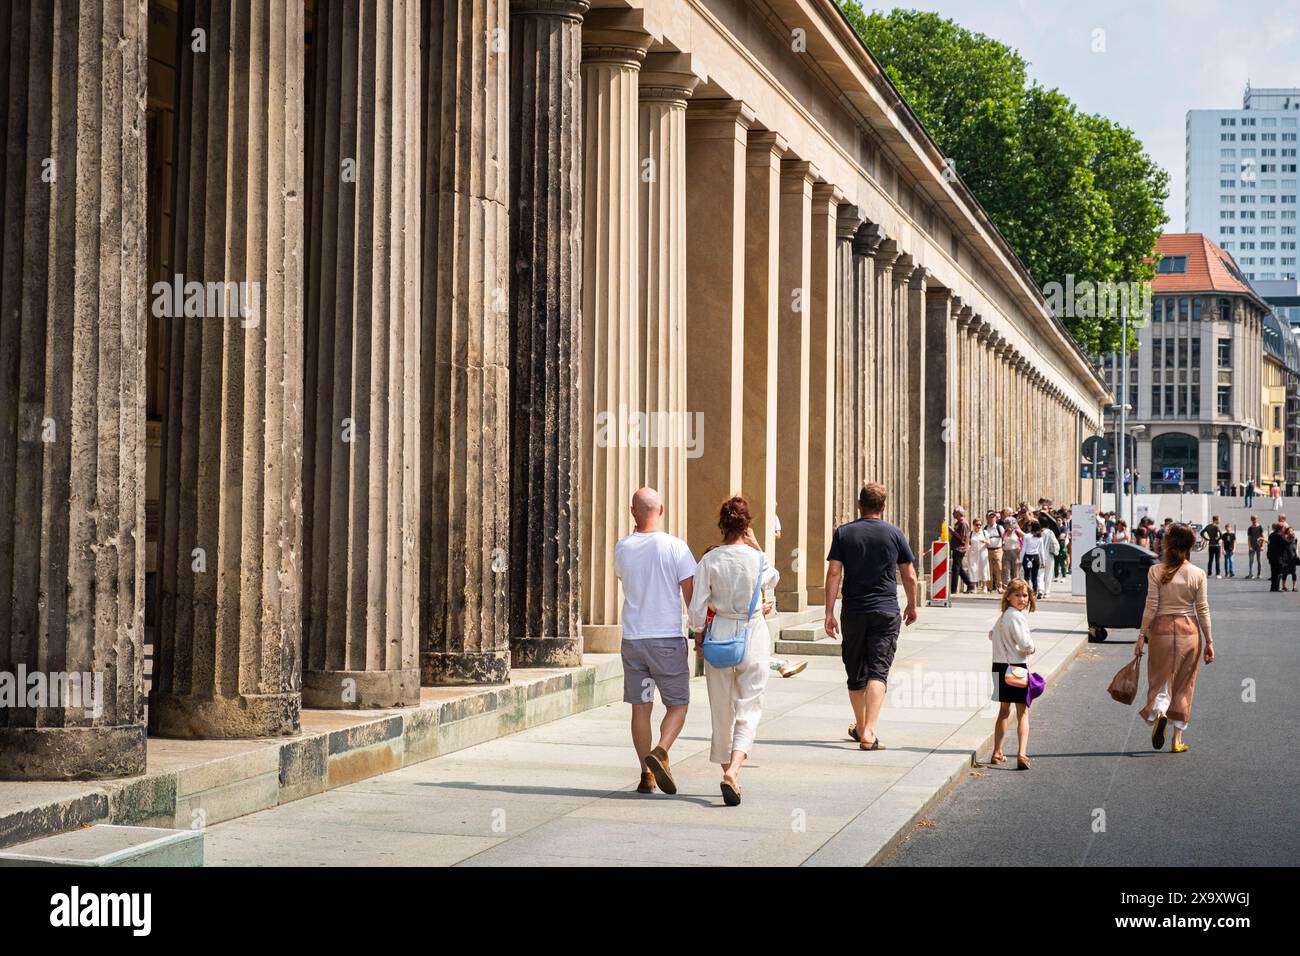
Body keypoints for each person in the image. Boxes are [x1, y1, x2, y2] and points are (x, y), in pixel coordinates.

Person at [688, 496, 780, 806]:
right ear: (747, 525)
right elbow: (774, 577)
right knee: (750, 707)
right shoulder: (756, 559)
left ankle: (730, 772)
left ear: (722, 524)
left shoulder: (710, 561)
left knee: (721, 710)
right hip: (752, 635)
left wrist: (699, 635)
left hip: (721, 635)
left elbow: (697, 606)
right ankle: (735, 770)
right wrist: (756, 544)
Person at [613, 488, 697, 795]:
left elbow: (626, 580)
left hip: (634, 640)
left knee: (640, 708)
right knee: (678, 704)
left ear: (632, 510)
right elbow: (691, 594)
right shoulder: (676, 547)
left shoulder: (622, 548)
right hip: (666, 639)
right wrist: (700, 631)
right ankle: (661, 750)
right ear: (660, 509)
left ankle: (646, 774)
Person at [824, 482, 918, 751]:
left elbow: (834, 573)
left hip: (853, 610)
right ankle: (869, 730)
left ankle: (862, 724)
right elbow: (909, 574)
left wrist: (829, 612)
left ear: (858, 504)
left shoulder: (844, 533)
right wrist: (911, 605)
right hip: (886, 610)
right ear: (883, 506)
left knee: (855, 672)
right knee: (878, 671)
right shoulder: (894, 533)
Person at [1135, 523, 1214, 754]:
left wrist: (1141, 636)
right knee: (1184, 683)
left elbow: (1150, 605)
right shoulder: (1198, 574)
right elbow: (1203, 609)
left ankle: (1159, 710)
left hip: (1161, 629)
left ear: (1167, 544)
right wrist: (1209, 641)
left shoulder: (1155, 571)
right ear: (1191, 545)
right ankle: (1177, 739)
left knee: (1160, 678)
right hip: (1189, 629)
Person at [987, 578, 1037, 770]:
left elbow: (991, 635)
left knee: (1003, 712)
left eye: (1025, 595)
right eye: (1017, 595)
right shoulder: (1016, 617)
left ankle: (997, 752)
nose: (1022, 599)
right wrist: (1032, 647)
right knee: (1023, 712)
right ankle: (1022, 753)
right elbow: (1025, 644)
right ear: (1008, 596)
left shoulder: (1002, 617)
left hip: (998, 667)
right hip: (1015, 667)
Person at [949, 507, 975, 595]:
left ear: (959, 514)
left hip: (960, 548)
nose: (952, 514)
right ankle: (970, 584)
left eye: (954, 512)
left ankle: (953, 589)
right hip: (956, 548)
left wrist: (952, 532)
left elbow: (962, 538)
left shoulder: (963, 523)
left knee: (956, 569)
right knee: (958, 568)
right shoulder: (958, 523)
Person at [1021, 520, 1045, 599]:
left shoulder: (1026, 536)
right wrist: (1043, 561)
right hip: (1036, 557)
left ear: (1031, 527)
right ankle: (1035, 591)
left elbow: (1023, 549)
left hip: (1027, 556)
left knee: (1027, 575)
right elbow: (1042, 550)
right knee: (1034, 576)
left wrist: (1020, 559)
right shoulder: (1039, 537)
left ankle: (1027, 591)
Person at [984, 511, 1004, 592]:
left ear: (995, 518)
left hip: (998, 550)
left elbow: (1004, 537)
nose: (992, 519)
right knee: (989, 569)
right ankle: (990, 587)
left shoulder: (1000, 528)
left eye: (993, 517)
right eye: (990, 517)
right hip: (988, 550)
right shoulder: (985, 529)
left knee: (999, 569)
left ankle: (1000, 587)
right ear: (987, 518)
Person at [969, 518, 991, 593]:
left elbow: (989, 542)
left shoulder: (984, 532)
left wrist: (985, 541)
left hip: (983, 552)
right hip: (973, 553)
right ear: (973, 525)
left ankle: (984, 586)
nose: (978, 526)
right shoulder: (971, 533)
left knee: (983, 568)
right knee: (973, 569)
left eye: (980, 525)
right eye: (977, 525)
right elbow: (967, 543)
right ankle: (974, 587)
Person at [1038, 521, 1060, 597]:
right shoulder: (1050, 532)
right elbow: (1055, 543)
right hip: (1048, 555)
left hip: (1039, 555)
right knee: (1048, 574)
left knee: (1040, 574)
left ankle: (1040, 589)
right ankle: (1047, 592)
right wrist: (1056, 552)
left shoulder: (1036, 533)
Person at [1267, 522, 1289, 592]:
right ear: (1281, 528)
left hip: (1272, 556)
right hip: (1279, 557)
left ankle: (1273, 587)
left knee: (1273, 572)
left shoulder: (1271, 535)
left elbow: (1269, 545)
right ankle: (1277, 587)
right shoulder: (1280, 536)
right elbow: (1287, 543)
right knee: (1278, 573)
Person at [1002, 517, 1022, 582]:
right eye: (1006, 523)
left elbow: (1027, 538)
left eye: (1008, 523)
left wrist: (1021, 547)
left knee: (1015, 571)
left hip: (1015, 552)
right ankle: (1007, 587)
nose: (1007, 525)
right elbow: (1002, 541)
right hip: (1006, 552)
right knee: (1006, 570)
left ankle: (1016, 587)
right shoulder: (1004, 532)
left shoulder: (1017, 531)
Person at [1246, 515, 1265, 579]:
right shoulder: (1250, 528)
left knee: (1259, 560)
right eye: (1253, 519)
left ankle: (1259, 574)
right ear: (1251, 520)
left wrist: (1262, 546)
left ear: (1257, 519)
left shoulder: (1260, 527)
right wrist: (1249, 546)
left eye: (1255, 519)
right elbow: (1249, 538)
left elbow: (1263, 537)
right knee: (1251, 560)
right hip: (1252, 546)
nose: (1254, 520)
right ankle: (1250, 574)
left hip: (1258, 546)